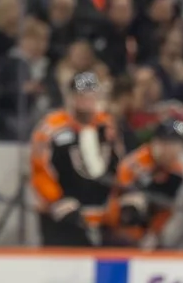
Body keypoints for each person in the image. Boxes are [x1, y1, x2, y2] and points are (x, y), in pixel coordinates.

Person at [29, 71, 123, 245]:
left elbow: (117, 163)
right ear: (71, 96)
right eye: (81, 94)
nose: (87, 99)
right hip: (62, 215)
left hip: (101, 216)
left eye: (91, 94)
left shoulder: (107, 125)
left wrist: (116, 201)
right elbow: (40, 169)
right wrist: (56, 199)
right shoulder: (51, 127)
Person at [112, 116, 183, 248]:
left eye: (177, 144)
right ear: (156, 142)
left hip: (152, 229)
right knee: (134, 202)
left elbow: (166, 206)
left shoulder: (176, 170)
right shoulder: (137, 162)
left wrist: (153, 233)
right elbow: (121, 198)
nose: (174, 150)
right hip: (118, 225)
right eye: (169, 143)